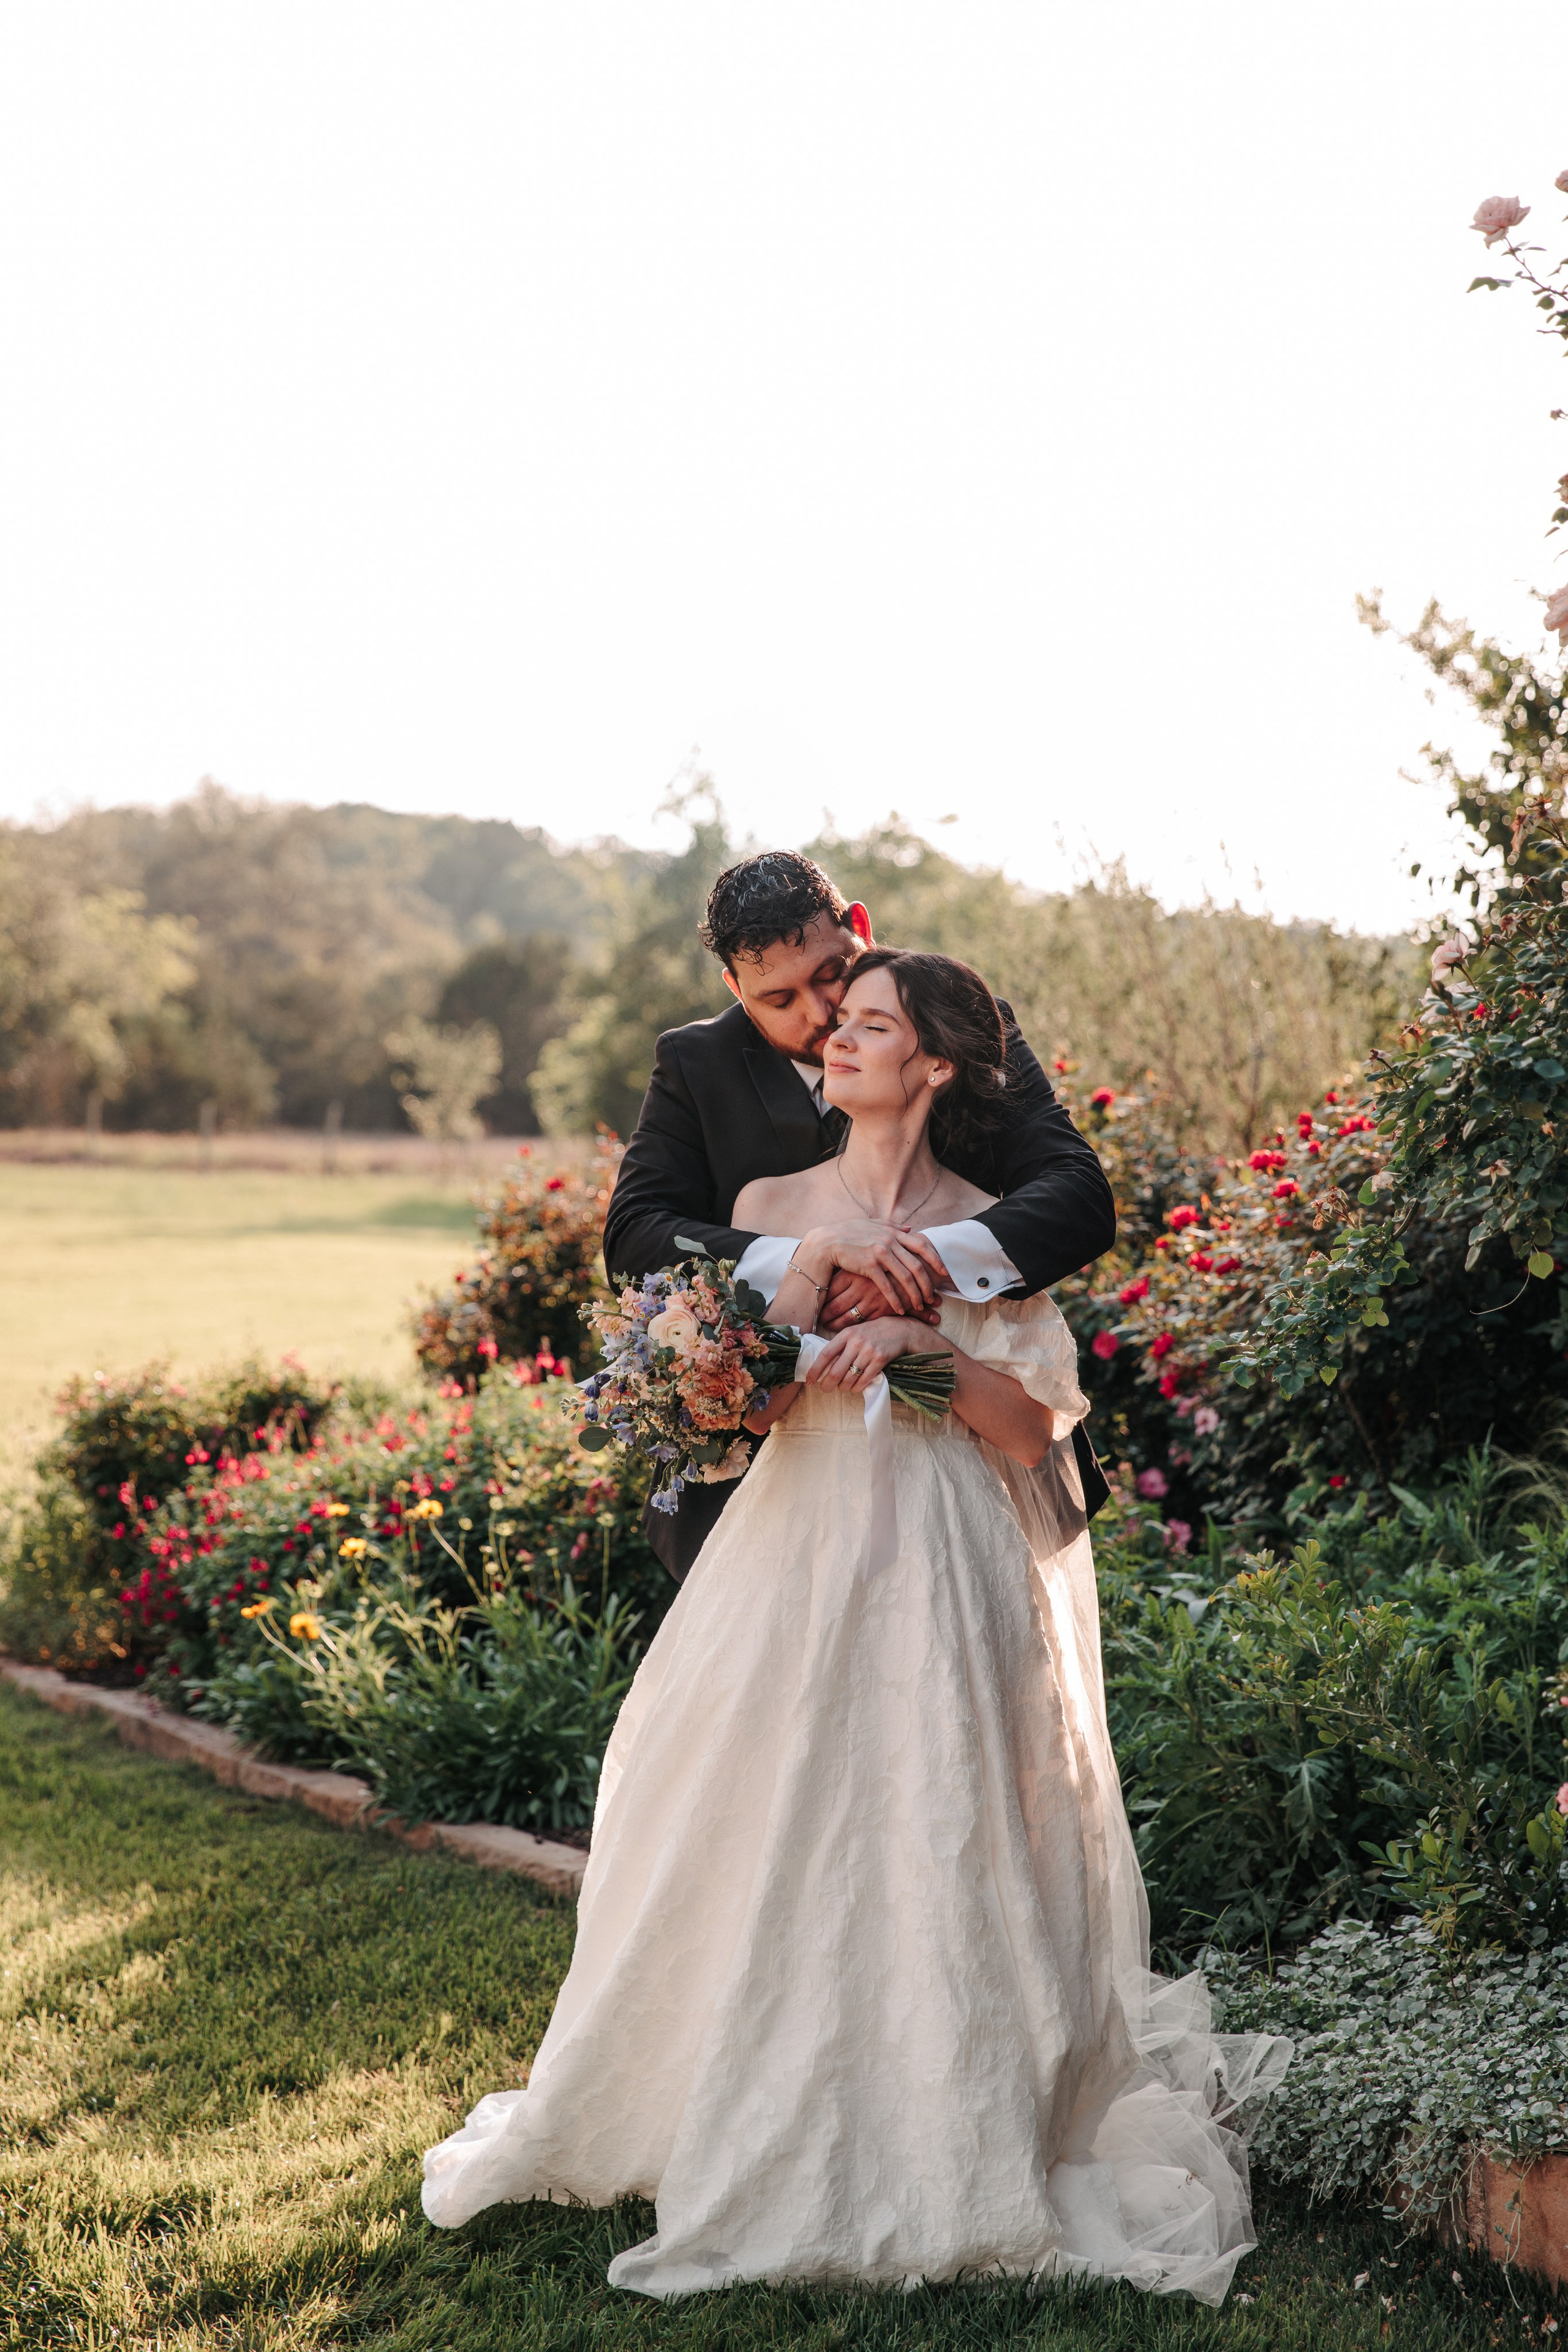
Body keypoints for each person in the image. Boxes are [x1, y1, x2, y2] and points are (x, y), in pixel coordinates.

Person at [421, 949, 1291, 2302]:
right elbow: (735, 1415)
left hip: (950, 1555)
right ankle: (746, 2092)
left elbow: (1034, 1434)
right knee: (768, 1817)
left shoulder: (988, 1226)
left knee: (945, 1818)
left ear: (933, 1065)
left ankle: (957, 2119)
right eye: (840, 1022)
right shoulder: (769, 1209)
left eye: (869, 1025)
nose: (834, 1037)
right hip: (795, 1546)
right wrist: (782, 1349)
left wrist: (921, 1353)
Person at [603, 850, 1117, 1578]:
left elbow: (1076, 1192)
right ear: (735, 989)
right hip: (767, 1482)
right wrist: (813, 1257)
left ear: (861, 929)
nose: (818, 1015)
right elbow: (635, 1234)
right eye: (777, 999)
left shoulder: (953, 1024)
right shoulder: (696, 1062)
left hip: (970, 1480)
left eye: (830, 973)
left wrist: (916, 1264)